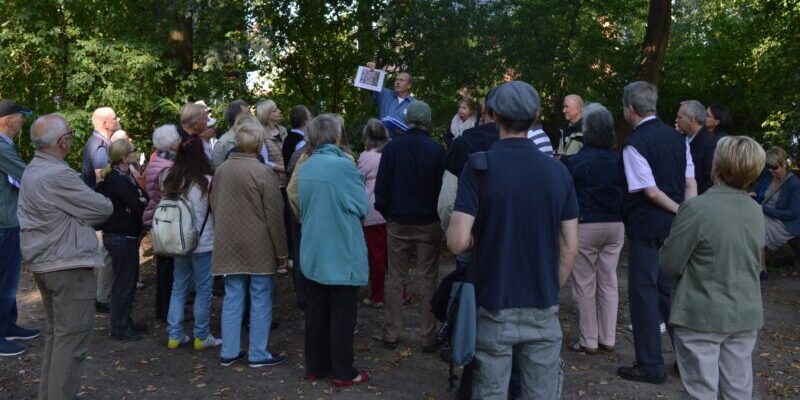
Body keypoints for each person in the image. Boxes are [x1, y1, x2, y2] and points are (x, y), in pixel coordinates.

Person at [446, 81, 579, 398]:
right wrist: (549, 286)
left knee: (490, 389)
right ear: (535, 117)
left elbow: (456, 241)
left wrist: (481, 237)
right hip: (542, 302)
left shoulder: (478, 168)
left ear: (491, 115)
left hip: (493, 301)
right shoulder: (558, 173)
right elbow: (571, 248)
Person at [660, 135, 766, 399]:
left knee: (700, 392)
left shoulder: (697, 209)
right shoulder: (755, 210)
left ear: (716, 165)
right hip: (743, 314)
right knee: (738, 392)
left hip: (700, 314)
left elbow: (669, 264)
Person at [18, 114, 113, 400]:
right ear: (62, 141)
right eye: (70, 134)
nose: (72, 138)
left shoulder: (34, 169)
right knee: (71, 344)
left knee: (58, 339)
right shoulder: (58, 175)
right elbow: (103, 208)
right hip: (68, 266)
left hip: (49, 263)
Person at [619, 81, 697, 384]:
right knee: (672, 293)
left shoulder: (634, 143)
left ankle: (650, 364)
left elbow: (649, 191)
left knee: (644, 293)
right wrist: (688, 216)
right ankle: (686, 359)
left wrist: (680, 213)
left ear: (629, 109)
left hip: (646, 227)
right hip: (676, 229)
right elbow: (690, 185)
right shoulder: (679, 139)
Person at [296, 113, 371, 386]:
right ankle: (342, 371)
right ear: (336, 136)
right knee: (342, 311)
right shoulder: (343, 167)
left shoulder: (307, 166)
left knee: (316, 309)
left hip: (313, 247)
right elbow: (361, 207)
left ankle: (315, 366)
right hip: (340, 248)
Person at [211, 115, 288, 367]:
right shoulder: (263, 172)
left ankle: (229, 351)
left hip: (228, 242)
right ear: (257, 146)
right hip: (259, 245)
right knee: (260, 297)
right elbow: (274, 215)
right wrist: (282, 252)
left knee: (232, 296)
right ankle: (257, 352)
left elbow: (214, 205)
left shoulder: (221, 171)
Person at [375, 101, 446, 352]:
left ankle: (391, 332)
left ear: (408, 121)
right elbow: (443, 191)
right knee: (428, 279)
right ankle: (428, 336)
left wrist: (389, 213)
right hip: (428, 222)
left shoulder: (392, 149)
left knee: (395, 277)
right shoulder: (438, 151)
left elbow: (381, 189)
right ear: (427, 122)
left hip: (399, 221)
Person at [562, 103, 624, 354]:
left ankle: (588, 339)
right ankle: (608, 337)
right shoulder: (619, 160)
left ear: (587, 132)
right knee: (609, 281)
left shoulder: (576, 161)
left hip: (586, 224)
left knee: (585, 284)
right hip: (615, 225)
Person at [162, 136, 221, 351]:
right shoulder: (206, 181)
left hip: (177, 240)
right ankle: (201, 335)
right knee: (204, 289)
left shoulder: (171, 179)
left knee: (179, 287)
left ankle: (174, 335)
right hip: (203, 242)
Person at [96, 139, 150, 341]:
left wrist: (139, 201)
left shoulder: (123, 176)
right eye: (133, 151)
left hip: (123, 234)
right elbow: (138, 203)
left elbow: (142, 197)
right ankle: (120, 326)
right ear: (125, 156)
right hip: (121, 235)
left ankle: (125, 321)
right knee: (124, 283)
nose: (136, 153)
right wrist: (138, 202)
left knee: (127, 281)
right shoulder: (117, 180)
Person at [0, 99, 39, 357]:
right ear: (8, 119)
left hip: (8, 220)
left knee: (9, 279)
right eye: (20, 116)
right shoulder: (2, 147)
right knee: (4, 279)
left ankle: (8, 324)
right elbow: (27, 176)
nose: (23, 121)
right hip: (4, 222)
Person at [81, 107, 118, 313]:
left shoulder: (97, 144)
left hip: (99, 206)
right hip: (102, 208)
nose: (118, 119)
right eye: (114, 118)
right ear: (105, 123)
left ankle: (103, 295)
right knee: (106, 253)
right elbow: (101, 177)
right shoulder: (100, 147)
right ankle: (103, 297)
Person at [143, 124, 181, 322]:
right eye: (176, 139)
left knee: (165, 268)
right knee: (167, 269)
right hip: (166, 220)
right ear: (171, 143)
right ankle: (167, 311)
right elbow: (170, 194)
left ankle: (164, 309)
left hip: (158, 217)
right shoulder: (166, 167)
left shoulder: (156, 160)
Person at [754, 146, 800, 280]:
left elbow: (793, 213)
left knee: (759, 223)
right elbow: (756, 190)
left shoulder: (794, 184)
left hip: (786, 223)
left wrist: (764, 209)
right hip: (763, 214)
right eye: (768, 166)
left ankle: (761, 266)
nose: (771, 170)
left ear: (784, 164)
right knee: (756, 221)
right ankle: (760, 267)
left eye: (774, 167)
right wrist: (753, 194)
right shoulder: (767, 175)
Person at [358, 119, 390, 307]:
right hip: (390, 209)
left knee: (376, 255)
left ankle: (377, 295)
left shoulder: (365, 156)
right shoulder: (390, 153)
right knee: (392, 256)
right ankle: (400, 293)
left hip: (372, 209)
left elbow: (358, 178)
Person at [675, 100, 718, 194]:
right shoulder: (679, 138)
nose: (676, 120)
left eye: (679, 117)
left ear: (691, 120)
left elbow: (710, 180)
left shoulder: (711, 144)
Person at [211, 100, 250, 170]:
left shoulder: (253, 137)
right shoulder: (223, 143)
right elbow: (218, 171)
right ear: (236, 117)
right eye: (248, 113)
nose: (251, 116)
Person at [255, 100, 287, 184]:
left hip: (289, 178)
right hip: (274, 181)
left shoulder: (283, 130)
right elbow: (263, 161)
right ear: (266, 115)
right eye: (275, 110)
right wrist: (283, 168)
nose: (279, 111)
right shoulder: (260, 133)